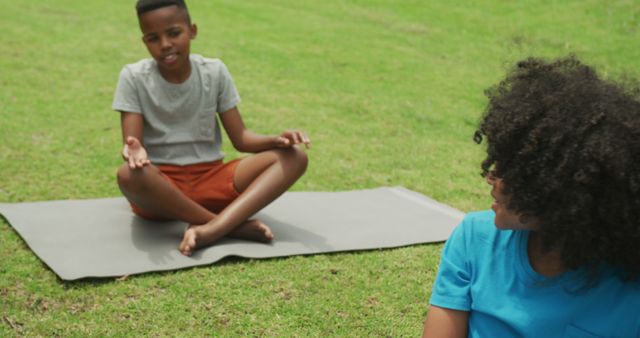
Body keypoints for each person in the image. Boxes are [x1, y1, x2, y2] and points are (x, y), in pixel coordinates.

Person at [423, 56, 640, 337]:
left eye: (509, 171)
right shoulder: (474, 238)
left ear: (559, 193)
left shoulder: (629, 287)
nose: (491, 178)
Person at [112, 0, 310, 256]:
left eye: (174, 33)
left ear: (192, 30)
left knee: (295, 157)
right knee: (128, 175)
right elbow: (132, 143)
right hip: (162, 190)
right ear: (144, 42)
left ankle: (212, 229)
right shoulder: (133, 77)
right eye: (153, 38)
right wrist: (134, 149)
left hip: (212, 179)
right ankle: (230, 226)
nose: (165, 45)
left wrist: (276, 140)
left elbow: (241, 138)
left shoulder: (214, 72)